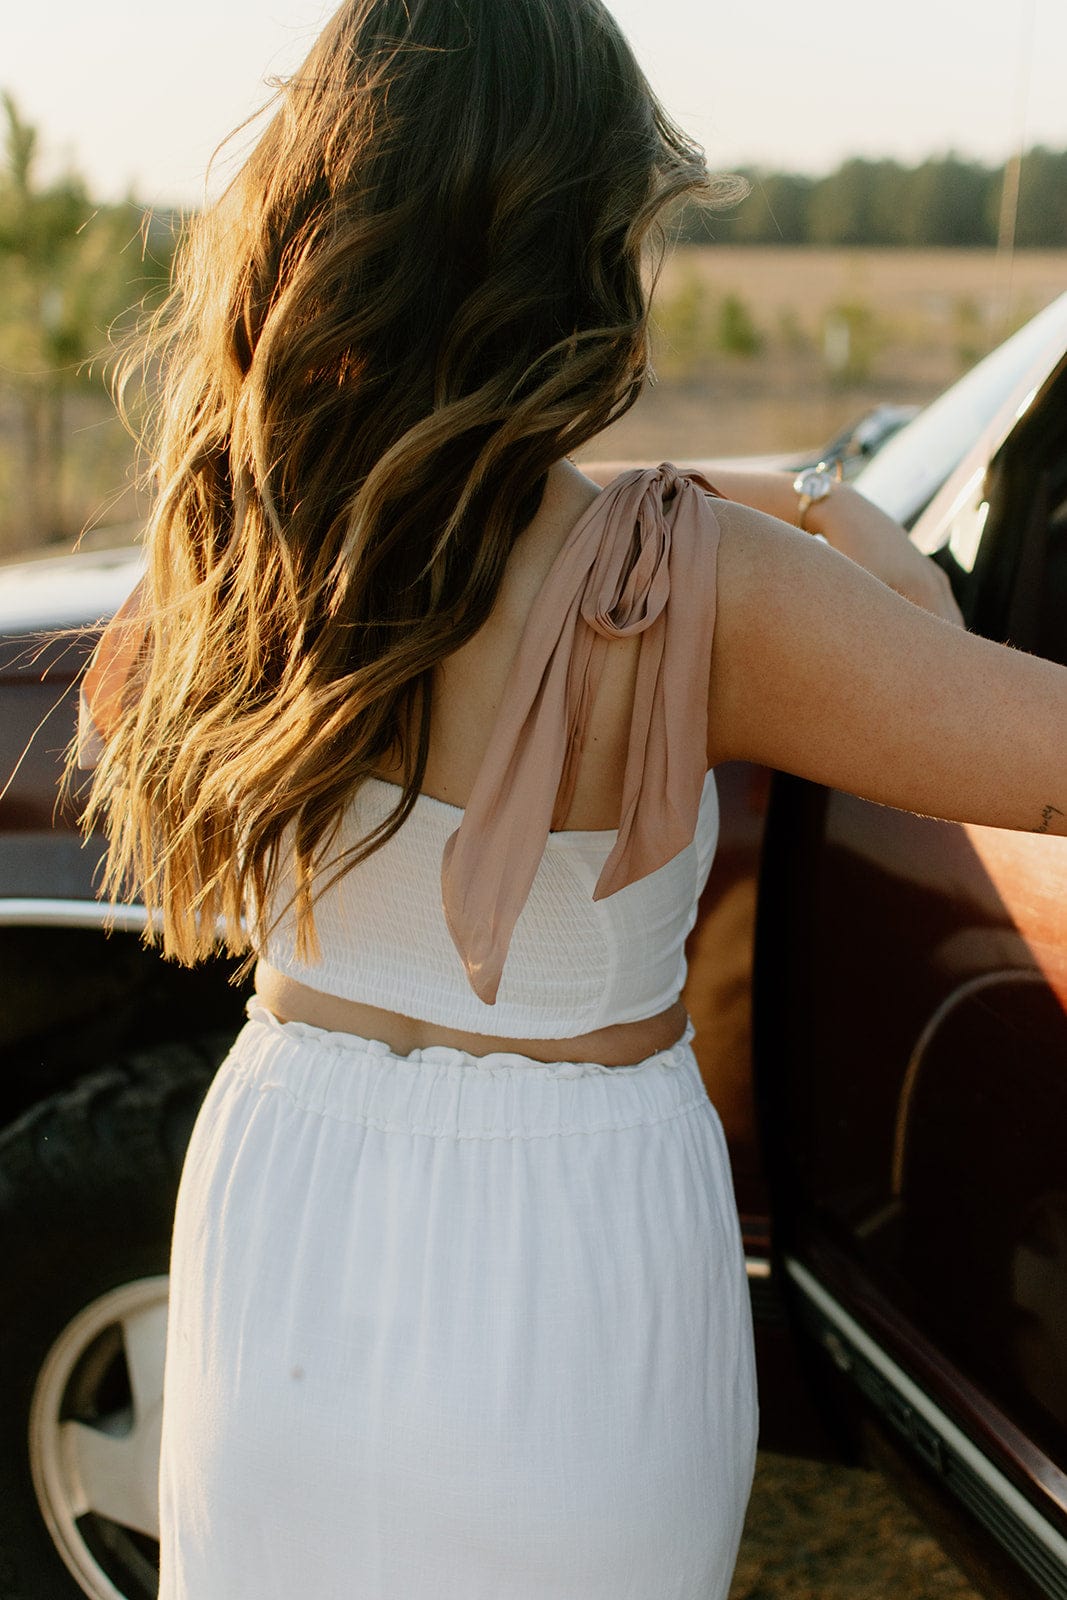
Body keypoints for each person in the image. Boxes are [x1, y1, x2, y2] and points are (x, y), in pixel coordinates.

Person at [71, 1, 1066, 1596]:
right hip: (565, 1261)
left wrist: (729, 495)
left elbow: (129, 700)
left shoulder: (243, 539)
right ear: (574, 240)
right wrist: (857, 543)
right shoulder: (689, 589)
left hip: (285, 1204)